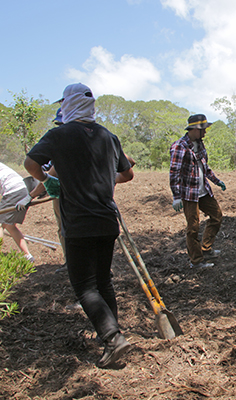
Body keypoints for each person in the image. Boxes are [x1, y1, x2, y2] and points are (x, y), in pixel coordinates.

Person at [24, 83, 134, 368]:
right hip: (107, 220)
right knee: (103, 281)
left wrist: (49, 181)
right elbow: (127, 174)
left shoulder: (59, 135)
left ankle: (112, 337)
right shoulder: (108, 136)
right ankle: (112, 335)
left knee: (84, 286)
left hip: (79, 222)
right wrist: (107, 181)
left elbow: (30, 163)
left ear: (68, 105)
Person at [169, 113, 225, 269]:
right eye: (203, 130)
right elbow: (174, 172)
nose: (205, 133)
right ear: (194, 129)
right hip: (189, 194)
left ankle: (206, 248)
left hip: (203, 191)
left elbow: (205, 167)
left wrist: (217, 181)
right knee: (193, 228)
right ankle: (196, 261)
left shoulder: (200, 145)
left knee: (217, 216)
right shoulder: (179, 146)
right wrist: (176, 196)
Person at [29, 108, 67, 265]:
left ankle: (73, 263)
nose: (60, 127)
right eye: (59, 124)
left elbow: (52, 171)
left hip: (65, 193)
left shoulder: (63, 142)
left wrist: (31, 195)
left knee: (66, 228)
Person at [0, 162, 35, 263]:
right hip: (23, 190)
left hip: (14, 191)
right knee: (10, 226)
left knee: (0, 225)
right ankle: (27, 255)